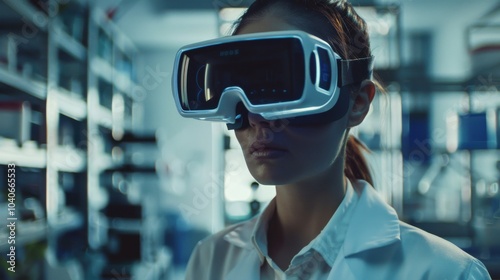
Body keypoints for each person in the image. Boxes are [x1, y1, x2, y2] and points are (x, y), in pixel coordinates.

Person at [178, 0, 492, 279]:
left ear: (357, 103)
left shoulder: (446, 272)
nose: (257, 118)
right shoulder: (211, 259)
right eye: (237, 89)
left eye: (280, 88)